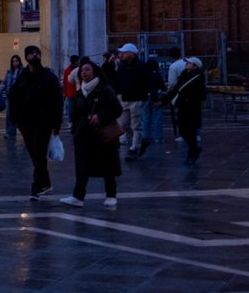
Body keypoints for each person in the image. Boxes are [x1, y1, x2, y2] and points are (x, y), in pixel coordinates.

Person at [61, 59, 124, 208]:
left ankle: (111, 195)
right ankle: (78, 196)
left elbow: (117, 109)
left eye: (87, 70)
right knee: (82, 166)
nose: (84, 73)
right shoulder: (80, 92)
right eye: (82, 70)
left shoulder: (104, 89)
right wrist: (75, 129)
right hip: (84, 134)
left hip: (102, 133)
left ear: (94, 71)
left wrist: (100, 116)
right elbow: (76, 112)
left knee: (108, 164)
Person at [9, 45, 64, 200]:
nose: (34, 55)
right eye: (31, 53)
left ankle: (37, 186)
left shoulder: (49, 77)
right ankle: (45, 183)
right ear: (26, 57)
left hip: (43, 122)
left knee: (39, 154)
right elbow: (14, 98)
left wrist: (56, 123)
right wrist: (15, 120)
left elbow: (57, 101)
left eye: (37, 53)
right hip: (26, 123)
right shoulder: (22, 76)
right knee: (35, 155)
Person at [109, 44, 149, 157]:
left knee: (136, 125)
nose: (121, 54)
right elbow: (116, 81)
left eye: (124, 52)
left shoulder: (141, 66)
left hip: (137, 99)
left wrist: (147, 95)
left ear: (132, 53)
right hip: (124, 98)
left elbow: (148, 81)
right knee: (122, 124)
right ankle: (138, 142)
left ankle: (134, 147)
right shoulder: (122, 66)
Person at [170, 55, 207, 165]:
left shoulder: (198, 77)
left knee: (189, 130)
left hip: (191, 107)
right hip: (183, 106)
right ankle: (194, 148)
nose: (187, 64)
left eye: (189, 63)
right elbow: (177, 88)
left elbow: (202, 94)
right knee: (182, 129)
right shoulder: (184, 74)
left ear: (195, 66)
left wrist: (189, 98)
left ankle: (192, 151)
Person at [138, 53, 166, 155]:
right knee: (157, 117)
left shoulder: (144, 74)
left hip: (146, 96)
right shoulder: (157, 74)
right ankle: (158, 137)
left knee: (146, 117)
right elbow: (162, 86)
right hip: (156, 96)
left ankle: (146, 137)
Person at [1, 54, 24, 138]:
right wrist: (0, 89)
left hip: (19, 97)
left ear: (19, 61)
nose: (15, 62)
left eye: (16, 61)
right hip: (10, 96)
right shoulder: (9, 71)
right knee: (9, 115)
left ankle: (25, 131)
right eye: (13, 61)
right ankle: (10, 132)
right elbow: (5, 82)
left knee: (20, 115)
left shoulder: (23, 71)